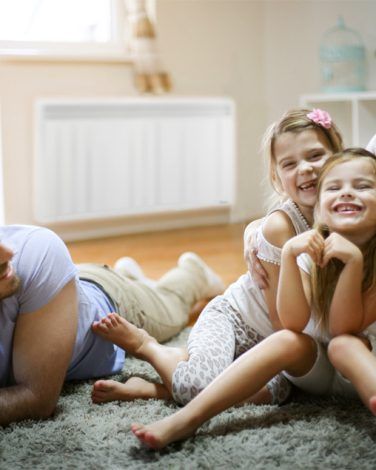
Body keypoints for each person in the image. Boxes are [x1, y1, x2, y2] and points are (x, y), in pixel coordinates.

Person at [90, 108, 343, 407]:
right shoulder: (280, 227)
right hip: (235, 321)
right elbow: (284, 322)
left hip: (270, 345)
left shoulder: (345, 213)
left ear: (339, 155)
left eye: (315, 156)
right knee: (198, 388)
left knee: (279, 394)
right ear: (277, 177)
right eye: (289, 164)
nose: (305, 169)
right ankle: (150, 348)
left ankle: (158, 387)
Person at [130, 148, 376, 449]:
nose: (347, 194)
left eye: (363, 186)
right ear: (320, 208)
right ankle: (188, 420)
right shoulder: (312, 252)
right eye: (334, 188)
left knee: (344, 345)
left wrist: (353, 264)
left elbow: (342, 328)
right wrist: (288, 254)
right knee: (287, 340)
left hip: (363, 367)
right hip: (320, 374)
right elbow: (292, 323)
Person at [0, 226, 224, 426]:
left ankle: (194, 273)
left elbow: (36, 399)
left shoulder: (35, 250)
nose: (8, 252)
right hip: (62, 293)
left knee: (171, 304)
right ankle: (128, 275)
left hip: (113, 302)